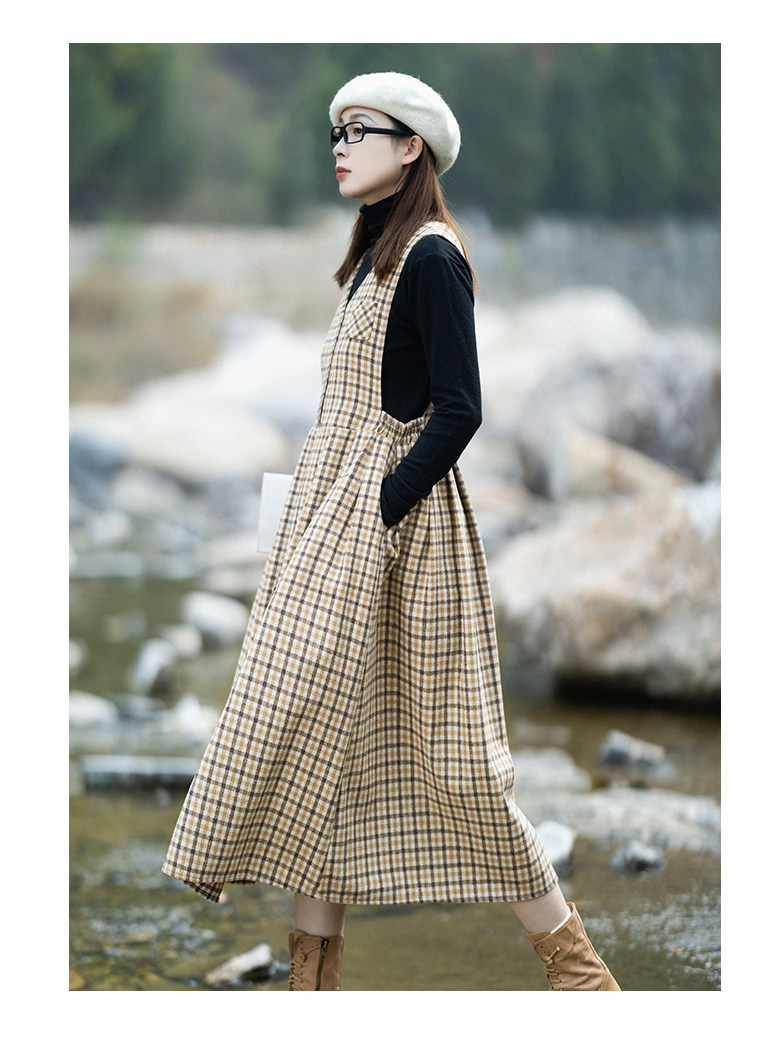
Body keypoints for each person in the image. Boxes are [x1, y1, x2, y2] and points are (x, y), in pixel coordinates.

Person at [162, 71, 620, 993]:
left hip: (396, 537)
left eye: (358, 131)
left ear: (411, 146)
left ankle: (580, 976)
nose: (339, 147)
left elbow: (461, 409)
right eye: (334, 133)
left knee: (456, 761)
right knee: (313, 750)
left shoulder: (432, 258)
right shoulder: (374, 256)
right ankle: (313, 991)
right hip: (335, 527)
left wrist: (377, 509)